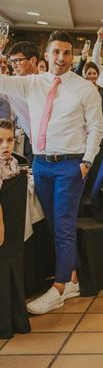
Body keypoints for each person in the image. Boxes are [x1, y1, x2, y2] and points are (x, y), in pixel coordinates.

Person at [0, 30, 103, 314]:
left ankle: (59, 288)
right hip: (41, 163)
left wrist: (87, 162)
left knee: (64, 226)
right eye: (56, 51)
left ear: (72, 56)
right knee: (54, 224)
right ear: (46, 55)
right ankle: (72, 277)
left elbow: (96, 128)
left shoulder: (85, 88)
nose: (61, 57)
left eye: (67, 53)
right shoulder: (32, 83)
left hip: (71, 164)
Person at [0, 118, 30, 338]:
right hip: (2, 227)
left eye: (9, 140)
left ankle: (17, 319)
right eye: (0, 141)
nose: (5, 146)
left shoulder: (14, 164)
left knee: (14, 266)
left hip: (15, 226)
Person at [6, 41, 40, 161]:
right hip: (30, 142)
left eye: (17, 60)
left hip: (56, 141)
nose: (14, 65)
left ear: (33, 60)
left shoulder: (48, 81)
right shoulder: (10, 85)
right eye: (12, 62)